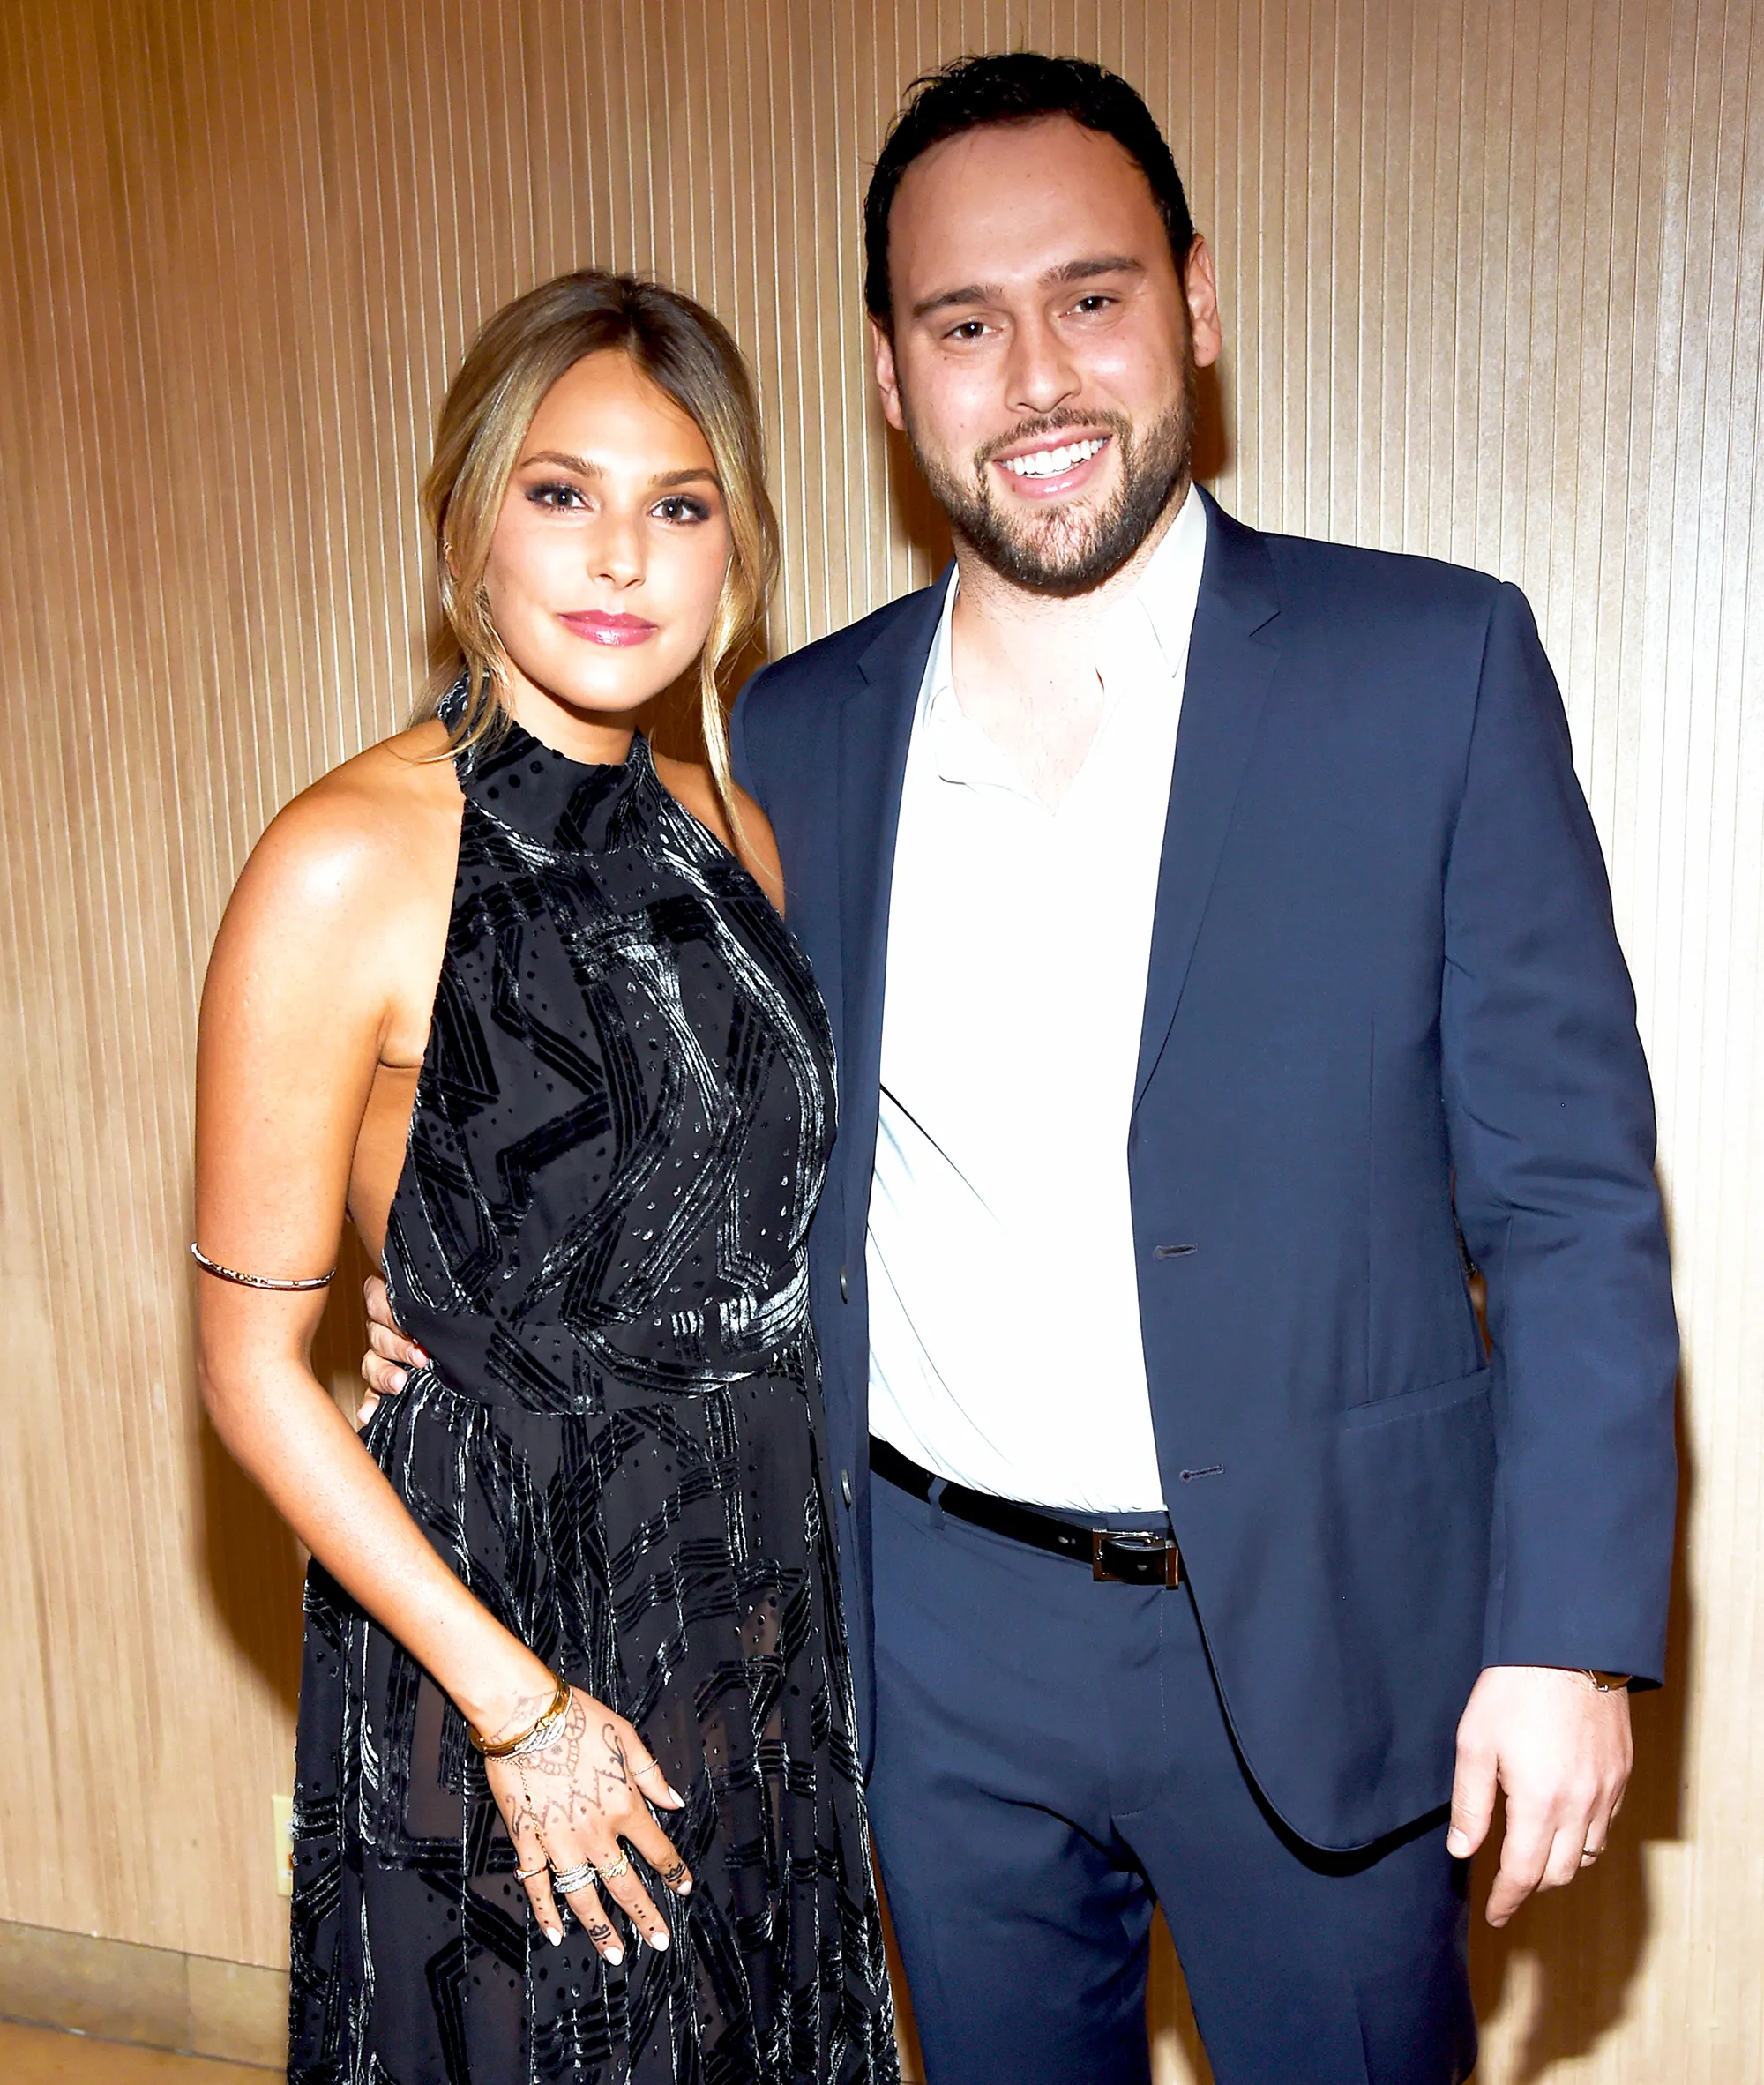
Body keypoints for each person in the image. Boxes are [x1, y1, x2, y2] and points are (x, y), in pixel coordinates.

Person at [363, 54, 1680, 2085]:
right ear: (892, 379)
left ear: (1196, 305)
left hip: (1331, 1628)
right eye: (964, 325)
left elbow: (1572, 1203)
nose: (1037, 376)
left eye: (1091, 297)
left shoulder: (1431, 670)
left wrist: (1567, 1633)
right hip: (928, 1641)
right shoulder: (781, 744)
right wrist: (399, 1252)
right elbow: (614, 1085)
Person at [194, 270, 897, 2084]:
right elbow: (251, 1374)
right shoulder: (344, 858)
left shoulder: (731, 833)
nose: (622, 558)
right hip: (495, 1630)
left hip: (747, 1616)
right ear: (466, 520)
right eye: (559, 492)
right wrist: (521, 1719)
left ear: (731, 545)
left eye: (677, 504)